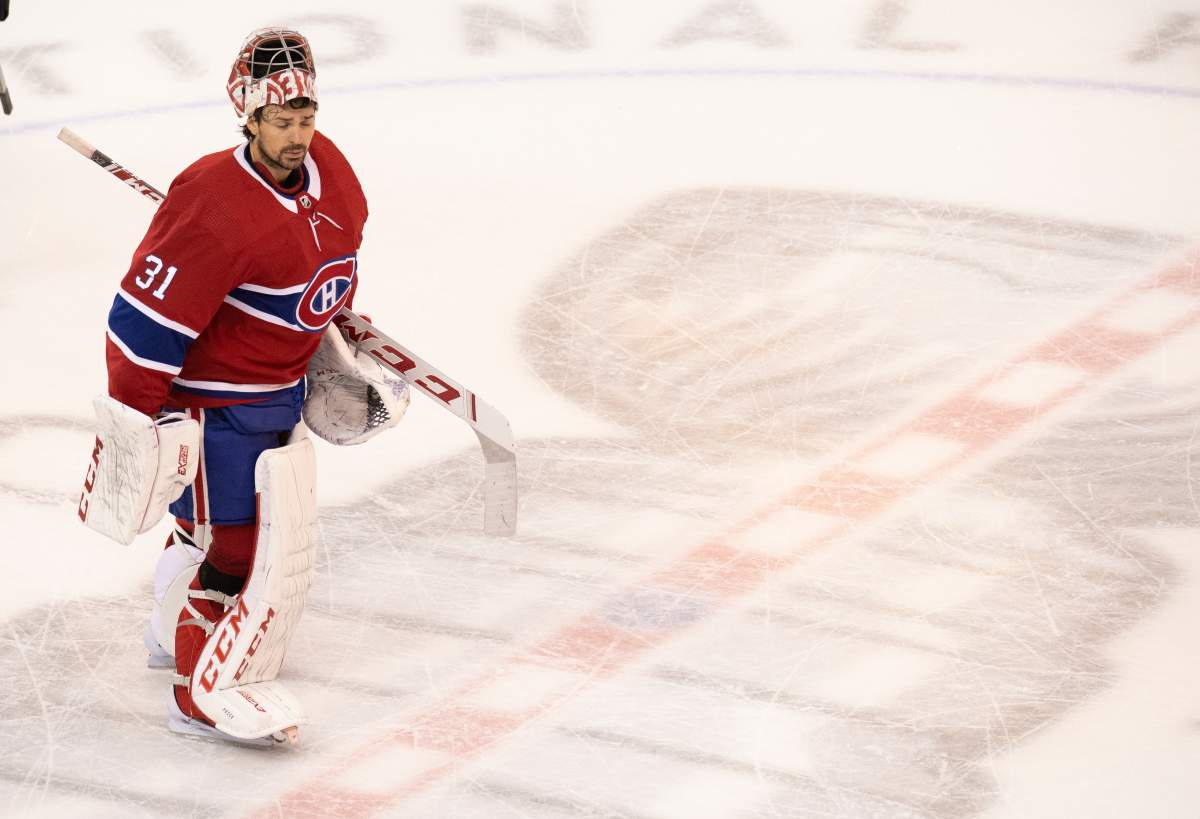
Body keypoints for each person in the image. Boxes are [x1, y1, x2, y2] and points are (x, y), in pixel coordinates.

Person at [91, 27, 407, 745]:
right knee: (240, 548)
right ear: (249, 117)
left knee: (215, 532)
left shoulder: (332, 173)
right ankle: (196, 695)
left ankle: (170, 630)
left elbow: (325, 270)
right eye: (281, 121)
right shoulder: (211, 201)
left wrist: (335, 330)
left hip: (279, 394)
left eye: (307, 118)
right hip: (213, 406)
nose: (298, 135)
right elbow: (139, 322)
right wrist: (135, 423)